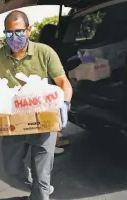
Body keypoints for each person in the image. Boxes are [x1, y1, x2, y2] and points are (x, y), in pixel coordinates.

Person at [0, 10, 72, 200]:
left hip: (43, 119)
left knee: (42, 174)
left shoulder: (44, 52)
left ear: (29, 30)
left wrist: (65, 104)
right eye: (9, 33)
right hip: (13, 123)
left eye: (19, 31)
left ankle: (40, 191)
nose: (14, 37)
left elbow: (63, 83)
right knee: (12, 169)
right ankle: (37, 188)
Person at [38, 24, 71, 155]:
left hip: (44, 83)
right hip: (47, 84)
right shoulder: (49, 49)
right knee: (51, 111)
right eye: (56, 34)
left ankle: (55, 138)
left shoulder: (41, 47)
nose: (59, 37)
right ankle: (51, 144)